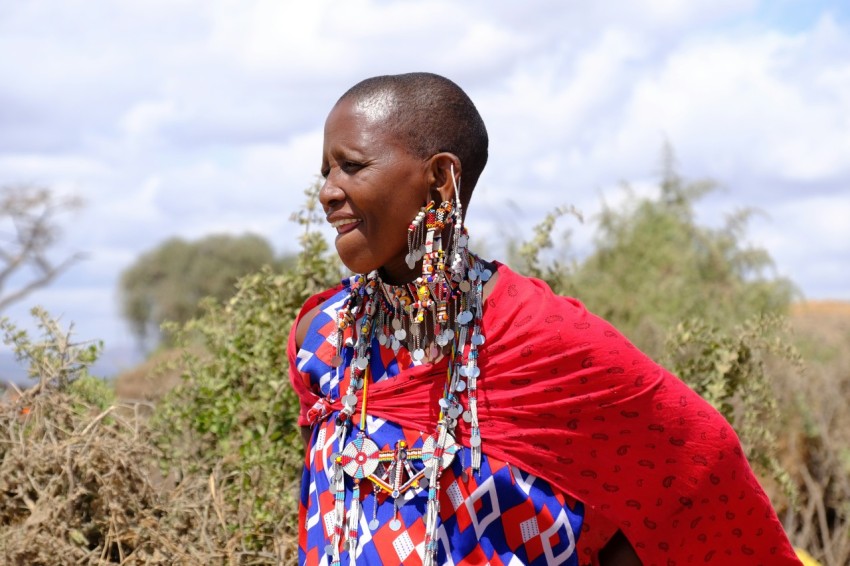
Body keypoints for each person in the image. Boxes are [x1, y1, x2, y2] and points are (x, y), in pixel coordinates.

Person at [287, 72, 801, 566]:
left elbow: (690, 463)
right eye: (326, 172)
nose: (329, 192)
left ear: (441, 179)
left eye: (351, 166)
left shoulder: (542, 335)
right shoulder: (324, 338)